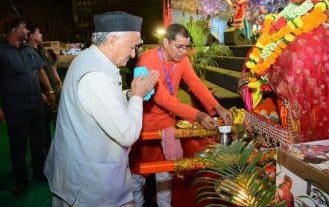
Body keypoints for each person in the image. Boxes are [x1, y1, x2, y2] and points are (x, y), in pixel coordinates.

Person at [44, 11, 159, 207]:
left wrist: (129, 95)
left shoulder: (90, 58)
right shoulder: (95, 75)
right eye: (132, 47)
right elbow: (127, 133)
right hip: (89, 185)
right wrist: (138, 97)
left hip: (88, 176)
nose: (133, 54)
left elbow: (103, 103)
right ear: (113, 40)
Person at [129, 23, 233, 207]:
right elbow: (161, 98)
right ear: (166, 42)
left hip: (168, 123)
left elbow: (195, 84)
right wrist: (196, 115)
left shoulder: (182, 60)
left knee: (166, 172)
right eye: (179, 47)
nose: (183, 52)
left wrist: (218, 107)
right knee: (139, 175)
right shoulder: (147, 60)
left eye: (186, 47)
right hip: (145, 124)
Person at [0, 17, 56, 196]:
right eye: (24, 27)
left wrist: (50, 91)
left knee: (38, 141)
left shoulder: (29, 50)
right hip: (15, 108)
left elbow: (39, 70)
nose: (27, 30)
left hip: (35, 105)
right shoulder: (1, 51)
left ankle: (39, 173)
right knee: (18, 146)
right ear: (14, 30)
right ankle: (21, 181)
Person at [27, 23, 63, 153]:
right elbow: (33, 75)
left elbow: (52, 68)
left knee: (60, 124)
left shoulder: (43, 50)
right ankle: (45, 155)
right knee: (43, 129)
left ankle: (60, 152)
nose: (41, 34)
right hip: (42, 96)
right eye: (38, 32)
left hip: (55, 92)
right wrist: (43, 93)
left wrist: (59, 84)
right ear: (31, 36)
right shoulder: (27, 52)